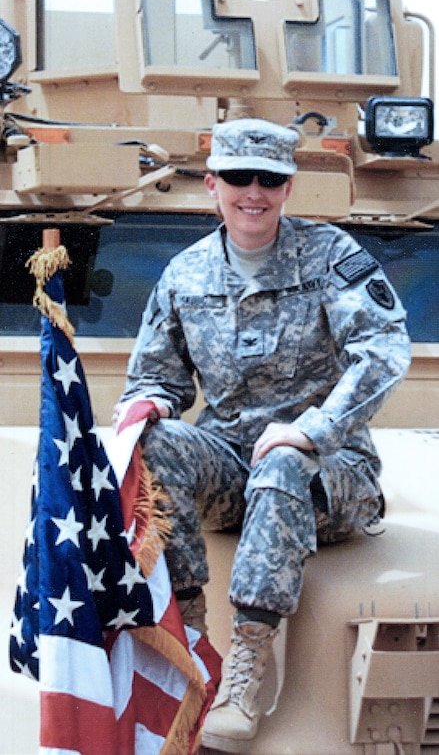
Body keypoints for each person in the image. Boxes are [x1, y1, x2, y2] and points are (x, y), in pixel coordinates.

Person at [115, 118, 411, 753]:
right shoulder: (183, 274)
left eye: (270, 179)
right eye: (239, 178)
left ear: (288, 187)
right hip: (229, 464)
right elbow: (156, 379)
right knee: (154, 444)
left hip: (330, 471)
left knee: (281, 465)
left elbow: (383, 350)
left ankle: (250, 655)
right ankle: (189, 634)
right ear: (212, 185)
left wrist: (311, 430)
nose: (255, 192)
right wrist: (144, 407)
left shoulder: (331, 256)